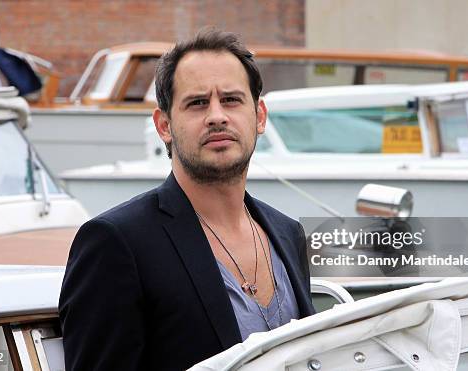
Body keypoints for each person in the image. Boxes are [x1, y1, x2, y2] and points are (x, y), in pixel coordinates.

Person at [58, 28, 315, 371]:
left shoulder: (288, 233)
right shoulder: (116, 243)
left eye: (231, 100)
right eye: (197, 103)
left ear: (259, 116)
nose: (217, 115)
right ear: (164, 125)